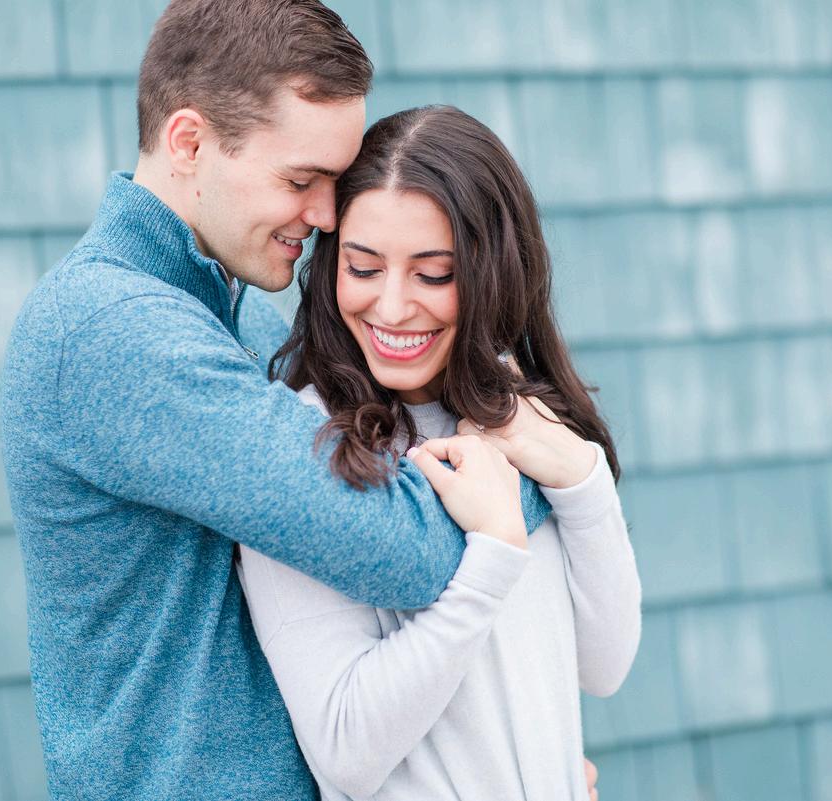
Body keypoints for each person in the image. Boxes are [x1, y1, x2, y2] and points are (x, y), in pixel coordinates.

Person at [0, 2, 566, 799]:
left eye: (334, 180)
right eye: (302, 180)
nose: (328, 214)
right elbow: (401, 549)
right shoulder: (108, 331)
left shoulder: (240, 319)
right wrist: (544, 457)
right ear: (189, 143)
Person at [237, 105, 642, 800]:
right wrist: (490, 557)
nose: (393, 308)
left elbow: (602, 667)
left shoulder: (522, 417)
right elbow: (344, 745)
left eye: (432, 275)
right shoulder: (305, 445)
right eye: (364, 267)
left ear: (493, 274)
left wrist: (583, 478)